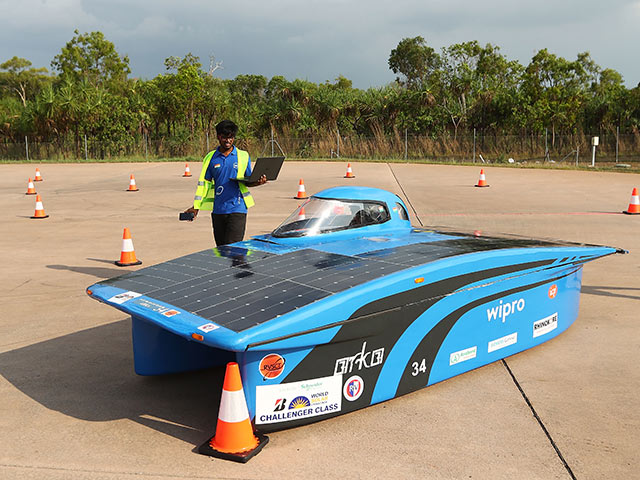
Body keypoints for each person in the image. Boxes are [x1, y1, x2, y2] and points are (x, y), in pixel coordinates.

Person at [184, 120, 266, 246]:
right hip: (218, 211)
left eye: (231, 137)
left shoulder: (243, 156)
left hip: (238, 209)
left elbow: (248, 181)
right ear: (218, 137)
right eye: (224, 137)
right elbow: (204, 185)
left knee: (233, 249)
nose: (228, 141)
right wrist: (196, 207)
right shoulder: (210, 158)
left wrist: (258, 182)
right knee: (222, 251)